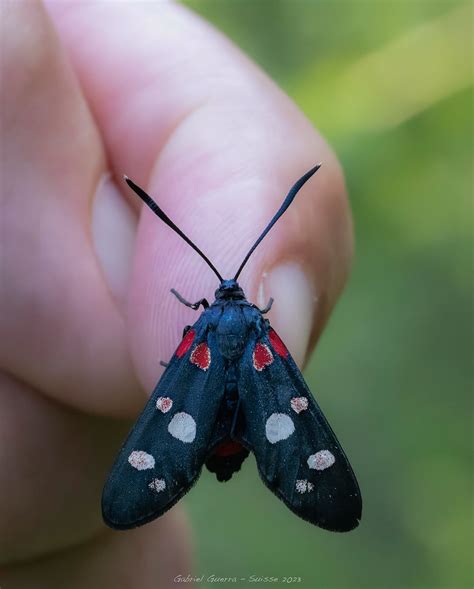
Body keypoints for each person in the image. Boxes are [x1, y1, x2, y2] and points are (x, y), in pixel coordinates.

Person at [0, 2, 353, 586]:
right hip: (246, 396)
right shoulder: (260, 329)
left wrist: (190, 347)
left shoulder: (201, 330)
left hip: (192, 391)